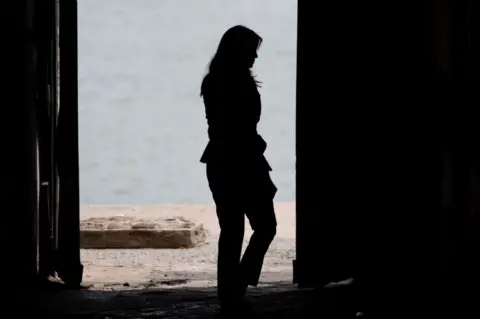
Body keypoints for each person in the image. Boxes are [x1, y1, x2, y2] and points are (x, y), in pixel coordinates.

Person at [199, 25, 278, 315]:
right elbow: (239, 125)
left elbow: (221, 124)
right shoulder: (239, 83)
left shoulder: (214, 82)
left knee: (232, 230)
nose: (255, 58)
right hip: (243, 160)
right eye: (252, 51)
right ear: (239, 50)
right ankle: (237, 286)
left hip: (221, 161)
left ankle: (230, 291)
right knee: (264, 226)